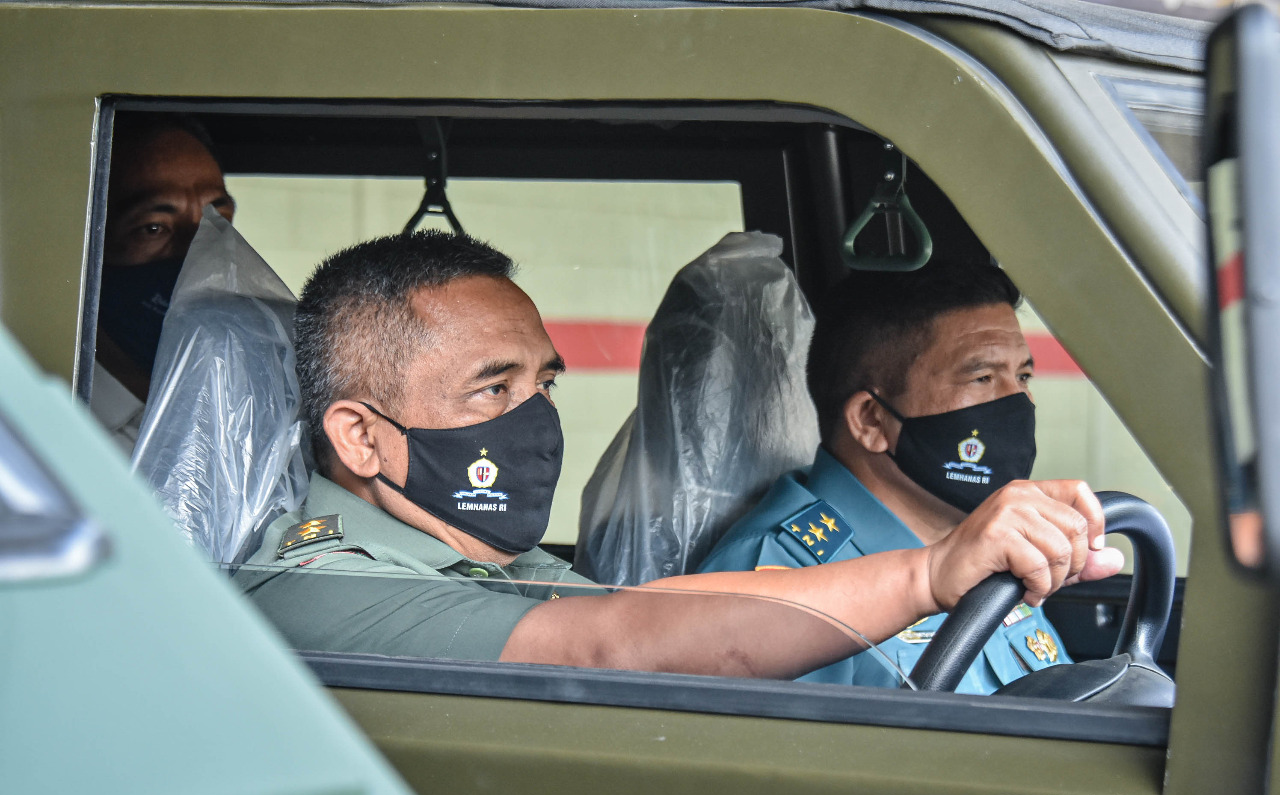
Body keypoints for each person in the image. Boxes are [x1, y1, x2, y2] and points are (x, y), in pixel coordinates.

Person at [235, 231, 1121, 679]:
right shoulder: (323, 585)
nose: (536, 418)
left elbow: (651, 608)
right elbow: (612, 644)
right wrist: (928, 576)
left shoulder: (498, 563)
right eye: (491, 388)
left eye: (543, 382)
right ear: (359, 435)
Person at [696, 262, 1073, 692]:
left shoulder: (987, 539)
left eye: (1023, 376)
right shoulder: (779, 572)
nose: (1018, 403)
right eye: (983, 377)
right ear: (872, 421)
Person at [91, 113, 236, 448]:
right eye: (154, 228)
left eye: (217, 222)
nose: (200, 252)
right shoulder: (45, 430)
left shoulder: (247, 409)